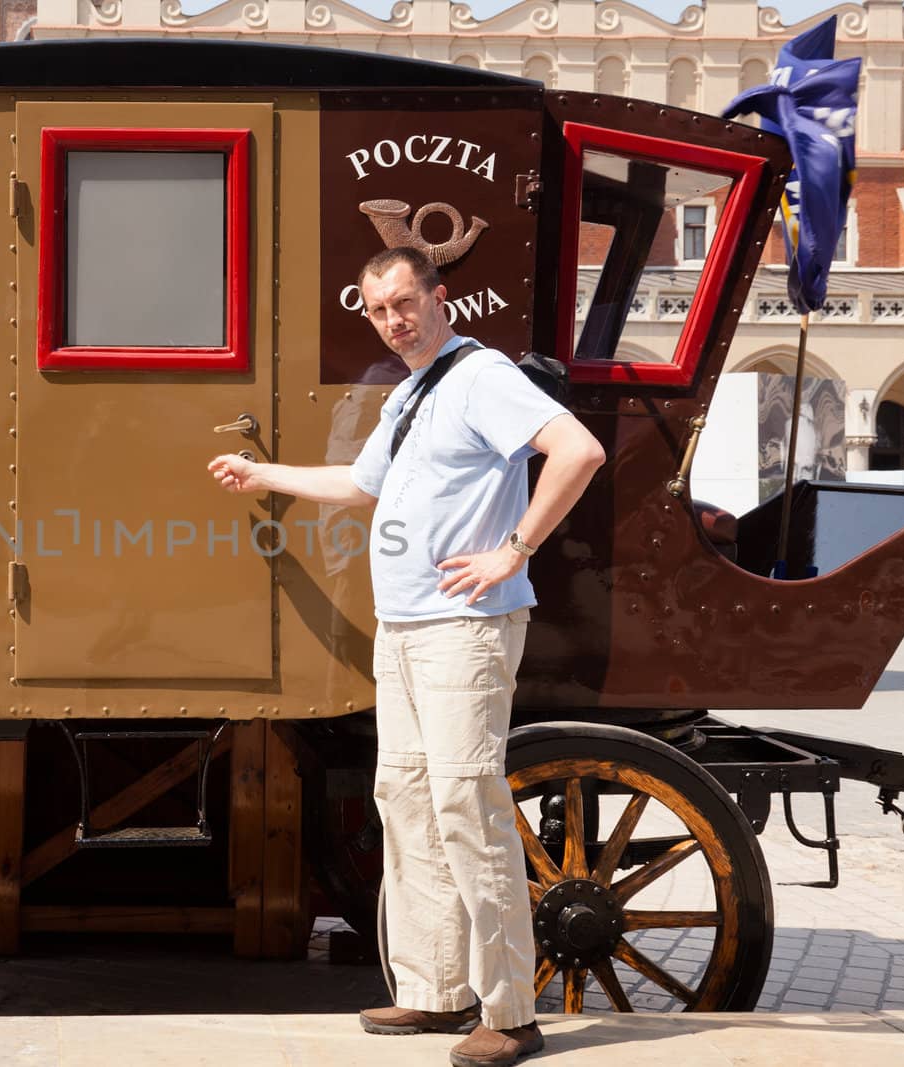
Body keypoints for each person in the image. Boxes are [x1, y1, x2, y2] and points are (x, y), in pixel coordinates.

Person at [207, 246, 605, 1067]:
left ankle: (512, 1010)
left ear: (439, 295)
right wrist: (260, 473)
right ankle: (434, 989)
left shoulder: (480, 375)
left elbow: (578, 452)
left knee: (467, 803)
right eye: (378, 309)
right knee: (409, 798)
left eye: (404, 301)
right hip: (406, 627)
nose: (394, 319)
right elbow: (361, 484)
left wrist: (515, 548)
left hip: (466, 628)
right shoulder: (413, 391)